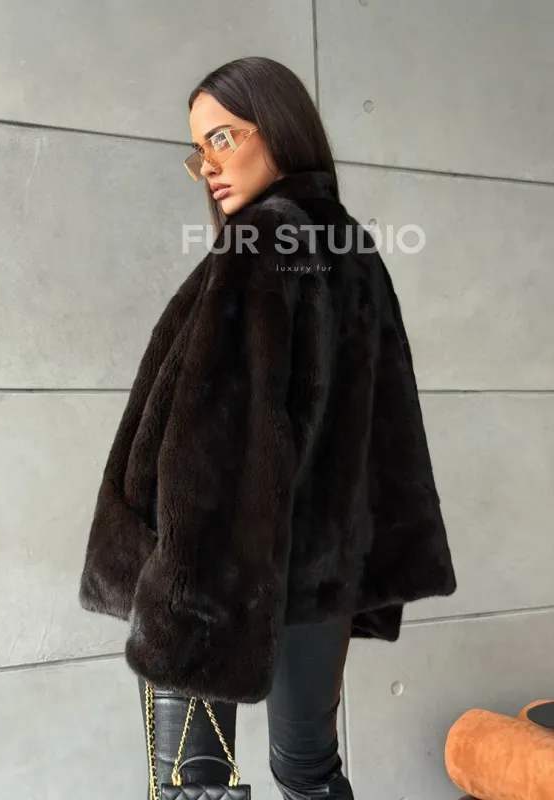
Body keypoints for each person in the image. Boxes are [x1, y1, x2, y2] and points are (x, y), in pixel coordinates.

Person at [78, 56, 457, 800]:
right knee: (309, 772)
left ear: (278, 128)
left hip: (214, 573)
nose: (209, 166)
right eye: (199, 150)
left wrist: (183, 599)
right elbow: (384, 439)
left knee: (193, 784)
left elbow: (220, 443)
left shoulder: (258, 244)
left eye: (224, 137)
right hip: (323, 574)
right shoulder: (353, 250)